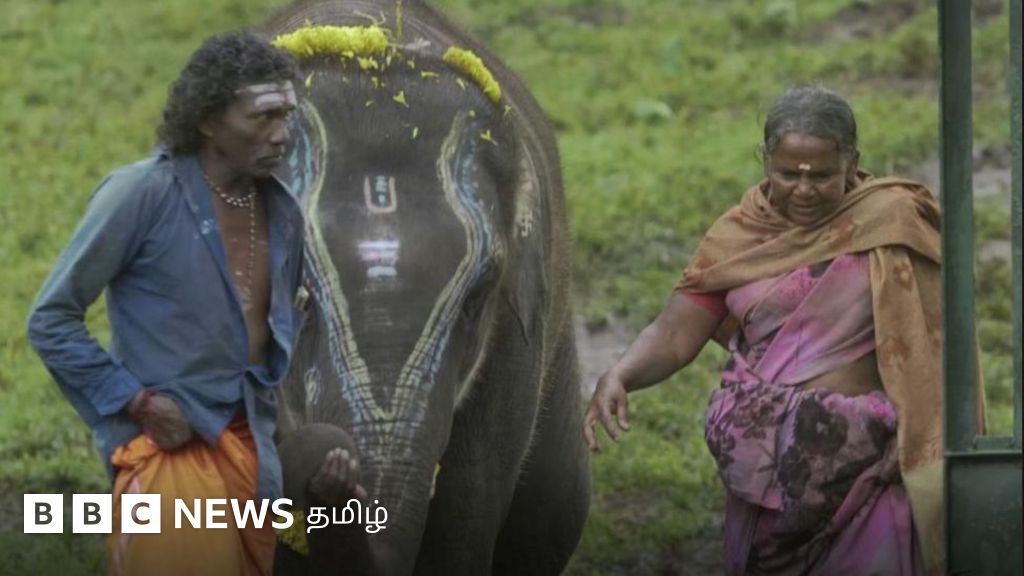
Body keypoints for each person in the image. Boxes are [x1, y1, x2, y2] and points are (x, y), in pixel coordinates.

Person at [583, 86, 975, 575]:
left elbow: (934, 339)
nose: (804, 190)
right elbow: (674, 333)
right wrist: (620, 374)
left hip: (869, 475)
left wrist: (925, 431)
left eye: (823, 176)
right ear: (765, 160)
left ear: (853, 163)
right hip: (762, 482)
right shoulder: (739, 236)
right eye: (788, 174)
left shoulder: (891, 223)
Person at [27, 31, 311, 575]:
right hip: (170, 455)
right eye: (264, 117)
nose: (282, 135)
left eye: (288, 115)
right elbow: (50, 319)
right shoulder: (141, 194)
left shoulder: (284, 211)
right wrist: (136, 403)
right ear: (208, 120)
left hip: (254, 457)